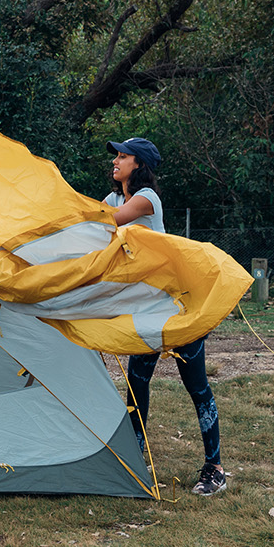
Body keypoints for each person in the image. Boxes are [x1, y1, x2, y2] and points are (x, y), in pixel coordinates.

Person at [104, 137, 226, 496]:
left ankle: (214, 469)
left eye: (123, 156)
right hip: (146, 311)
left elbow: (108, 220)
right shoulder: (113, 198)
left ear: (138, 165)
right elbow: (94, 219)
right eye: (116, 156)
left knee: (197, 385)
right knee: (137, 383)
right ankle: (135, 457)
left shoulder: (146, 200)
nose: (116, 161)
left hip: (176, 307)